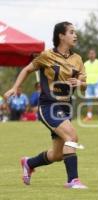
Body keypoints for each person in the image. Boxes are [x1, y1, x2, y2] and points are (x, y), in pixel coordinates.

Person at [4, 21, 87, 189]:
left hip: (66, 108)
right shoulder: (46, 55)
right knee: (72, 137)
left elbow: (84, 86)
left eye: (75, 32)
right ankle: (73, 180)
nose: (75, 35)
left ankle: (29, 163)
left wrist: (78, 82)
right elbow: (27, 69)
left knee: (57, 154)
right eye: (71, 32)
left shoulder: (77, 59)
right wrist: (15, 87)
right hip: (49, 106)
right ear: (61, 36)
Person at [83, 49, 98, 123]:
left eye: (93, 53)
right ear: (88, 55)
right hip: (88, 85)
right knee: (89, 101)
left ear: (95, 55)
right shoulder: (85, 64)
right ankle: (89, 116)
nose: (91, 55)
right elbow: (83, 74)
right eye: (90, 54)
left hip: (97, 84)